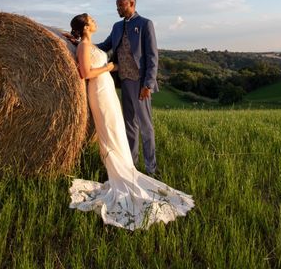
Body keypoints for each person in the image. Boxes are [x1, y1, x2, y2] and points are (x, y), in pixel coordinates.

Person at [68, 13, 194, 230]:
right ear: (86, 26)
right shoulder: (89, 43)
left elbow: (150, 55)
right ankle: (120, 170)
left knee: (121, 127)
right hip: (99, 89)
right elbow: (85, 72)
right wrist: (108, 67)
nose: (96, 21)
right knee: (112, 129)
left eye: (120, 5)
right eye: (92, 20)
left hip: (109, 88)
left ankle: (135, 166)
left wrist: (146, 81)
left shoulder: (140, 26)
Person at [97, 0, 159, 176]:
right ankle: (132, 165)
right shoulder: (117, 27)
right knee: (129, 125)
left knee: (146, 127)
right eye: (117, 6)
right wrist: (80, 43)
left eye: (121, 5)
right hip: (124, 82)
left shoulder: (145, 24)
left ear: (131, 4)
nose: (118, 9)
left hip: (140, 83)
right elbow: (105, 45)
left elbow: (152, 57)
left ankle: (151, 169)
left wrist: (148, 84)